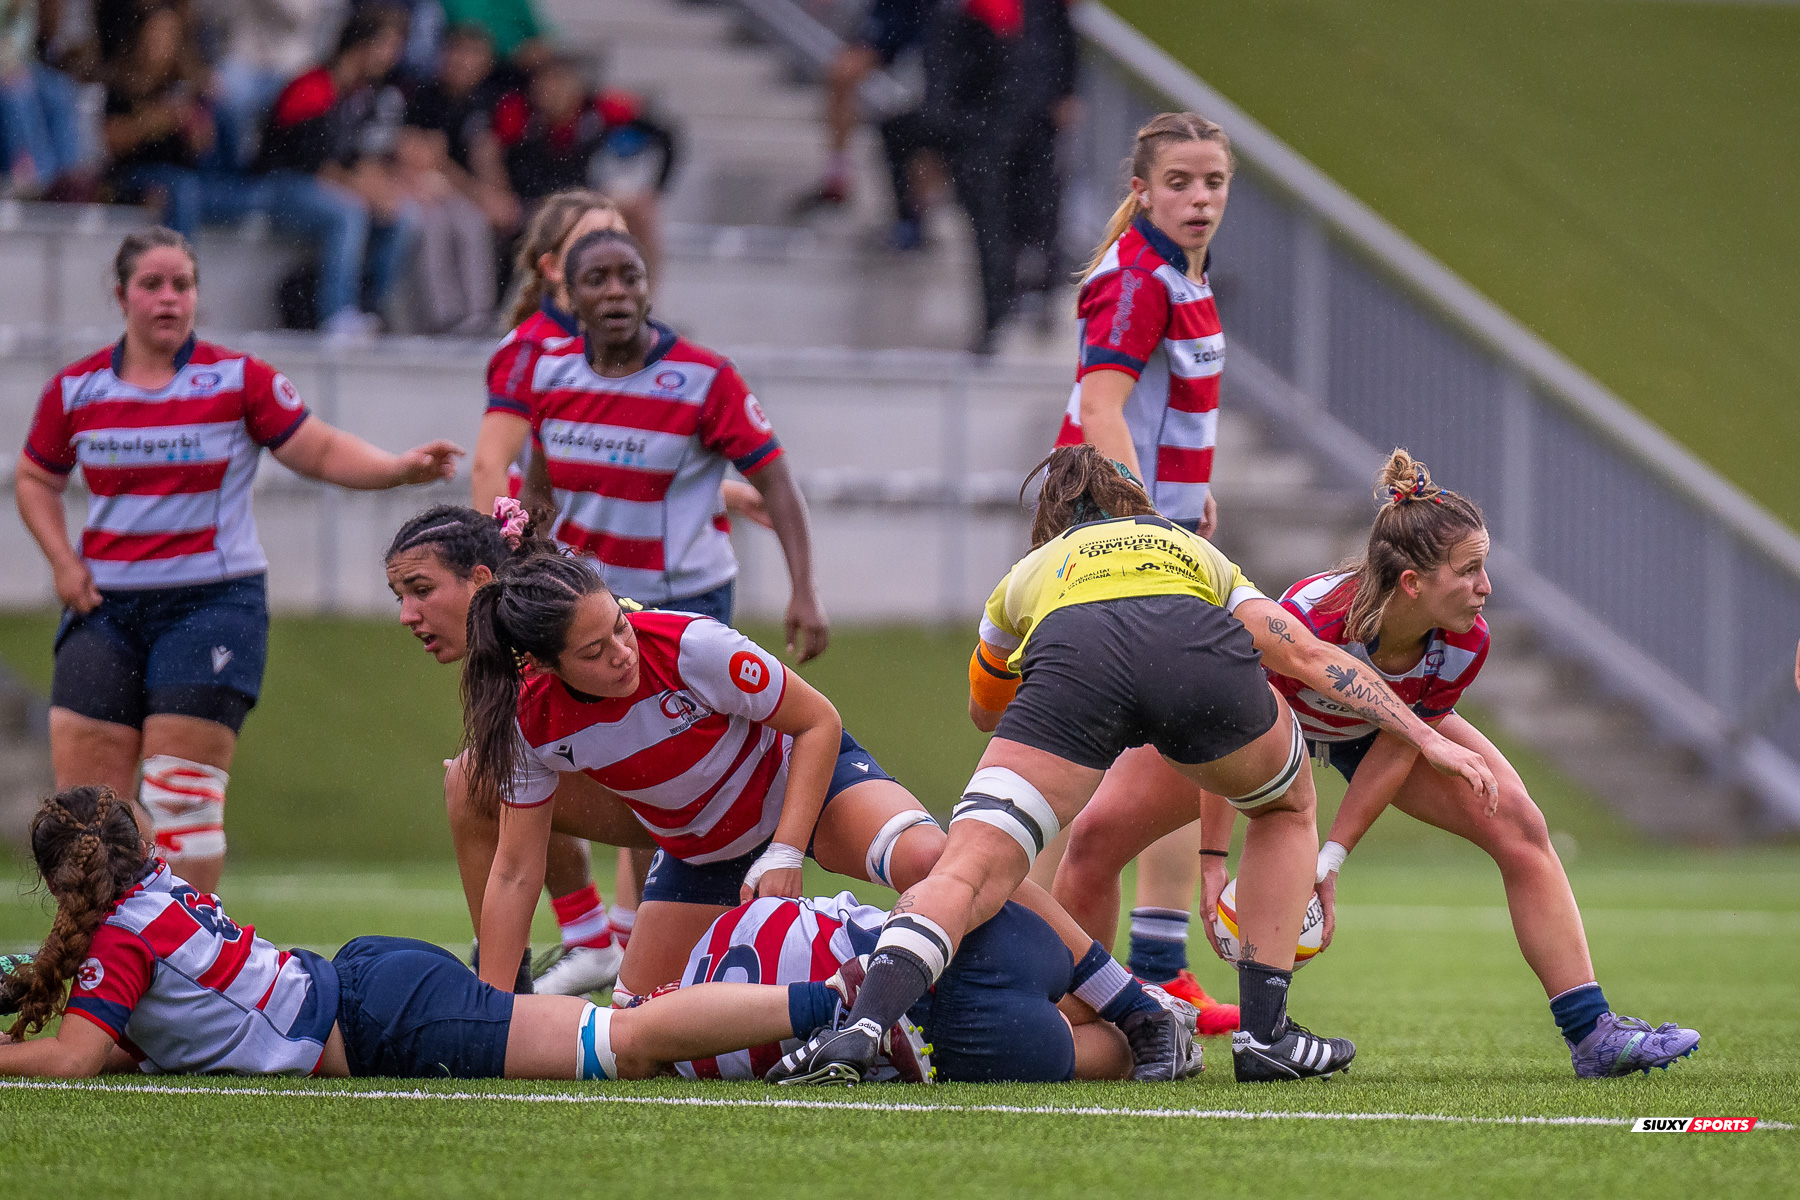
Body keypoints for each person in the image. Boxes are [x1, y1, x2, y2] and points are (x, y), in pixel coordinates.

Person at [767, 445, 1498, 1086]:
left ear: (1054, 523)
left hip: (1074, 663)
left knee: (965, 870)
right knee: (1284, 805)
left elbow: (985, 710)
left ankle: (862, 1026)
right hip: (1194, 652)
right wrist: (1424, 736)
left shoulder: (1030, 570)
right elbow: (1305, 654)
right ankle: (1267, 1036)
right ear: (1134, 505)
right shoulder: (1186, 546)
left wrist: (1081, 701)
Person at [13, 228, 463, 896]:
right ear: (121, 295)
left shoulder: (237, 379)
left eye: (182, 284)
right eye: (152, 285)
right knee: (85, 812)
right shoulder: (76, 390)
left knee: (183, 801)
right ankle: (104, 959)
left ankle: (186, 963)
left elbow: (318, 448)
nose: (169, 298)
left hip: (212, 605)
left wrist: (396, 469)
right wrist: (60, 560)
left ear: (197, 293)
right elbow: (34, 478)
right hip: (102, 606)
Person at [0, 784, 903, 1084]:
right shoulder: (157, 897)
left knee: (622, 1043)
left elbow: (75, 1057)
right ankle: (849, 999)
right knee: (622, 1028)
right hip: (368, 983)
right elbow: (135, 1041)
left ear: (57, 883)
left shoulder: (122, 935)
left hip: (386, 1017)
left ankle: (856, 1002)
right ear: (137, 845)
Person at [1271, 450, 1701, 1079]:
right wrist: (1210, 862)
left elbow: (1401, 740)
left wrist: (1329, 860)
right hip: (1265, 720)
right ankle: (1150, 990)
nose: (1487, 588)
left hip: (1383, 727)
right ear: (1414, 584)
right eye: (1470, 570)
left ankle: (1593, 1035)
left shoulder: (1463, 639)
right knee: (1104, 829)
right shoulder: (1315, 616)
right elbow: (1238, 730)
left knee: (1522, 828)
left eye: (1485, 567)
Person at [454, 537, 948, 1005]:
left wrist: (785, 852)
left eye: (619, 626)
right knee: (637, 1028)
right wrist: (492, 1017)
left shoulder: (692, 645)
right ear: (542, 666)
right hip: (702, 849)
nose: (623, 652)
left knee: (932, 862)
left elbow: (819, 722)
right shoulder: (527, 720)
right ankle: (841, 985)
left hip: (799, 784)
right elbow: (516, 870)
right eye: (593, 652)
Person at [1041, 111, 1242, 1029]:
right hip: (1108, 541)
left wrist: (1194, 503)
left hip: (1158, 532)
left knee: (1181, 739)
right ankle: (996, 945)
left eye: (1214, 183)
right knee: (1058, 762)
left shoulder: (1183, 279)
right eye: (1180, 184)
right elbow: (1100, 408)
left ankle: (1160, 963)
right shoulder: (1133, 279)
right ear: (1142, 190)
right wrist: (1144, 527)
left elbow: (1173, 416)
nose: (1199, 199)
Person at [523, 227, 828, 661]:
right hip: (586, 600)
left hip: (684, 603)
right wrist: (528, 576)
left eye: (631, 277)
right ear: (570, 296)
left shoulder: (705, 378)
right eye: (597, 280)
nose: (617, 292)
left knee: (686, 730)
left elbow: (776, 483)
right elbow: (538, 492)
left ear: (649, 289)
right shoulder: (551, 372)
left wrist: (803, 590)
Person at [384, 502, 636, 996]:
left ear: (481, 580)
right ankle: (576, 950)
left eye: (421, 590)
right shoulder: (509, 646)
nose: (406, 615)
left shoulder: (553, 637)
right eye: (400, 596)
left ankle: (506, 988)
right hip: (677, 810)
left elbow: (666, 755)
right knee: (494, 774)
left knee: (477, 779)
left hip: (708, 815)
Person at [679, 892, 1130, 1084]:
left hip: (946, 1035)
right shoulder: (721, 932)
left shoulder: (695, 1047)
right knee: (1085, 1005)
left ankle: (1135, 1016)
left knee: (1114, 1052)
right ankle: (1135, 1000)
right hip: (953, 944)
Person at [919, 0, 1077, 352]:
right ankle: (998, 317)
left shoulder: (1042, 10)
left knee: (1037, 216)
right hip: (980, 134)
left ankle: (1036, 297)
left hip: (1031, 126)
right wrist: (951, 133)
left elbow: (1062, 41)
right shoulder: (958, 14)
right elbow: (943, 72)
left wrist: (1064, 93)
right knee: (990, 229)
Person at [254, 5, 420, 335]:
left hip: (324, 185)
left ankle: (368, 307)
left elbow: (362, 158)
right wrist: (365, 192)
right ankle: (336, 314)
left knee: (404, 217)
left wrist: (386, 193)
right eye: (387, 45)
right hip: (279, 186)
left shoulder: (363, 95)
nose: (392, 56)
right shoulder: (311, 86)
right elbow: (312, 163)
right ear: (362, 45)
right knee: (350, 212)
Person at [491, 55, 672, 279]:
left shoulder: (599, 108)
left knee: (641, 212)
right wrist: (500, 193)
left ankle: (645, 296)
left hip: (584, 197)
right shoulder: (519, 114)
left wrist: (656, 188)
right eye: (546, 83)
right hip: (526, 201)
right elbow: (491, 154)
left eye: (561, 82)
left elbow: (665, 135)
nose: (553, 91)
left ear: (576, 85)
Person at [102, 5, 241, 239]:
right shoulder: (122, 83)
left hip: (183, 176)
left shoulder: (186, 85)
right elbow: (113, 142)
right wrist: (157, 120)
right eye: (153, 34)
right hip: (135, 174)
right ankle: (178, 266)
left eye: (166, 36)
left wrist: (197, 126)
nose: (157, 42)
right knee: (182, 189)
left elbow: (202, 146)